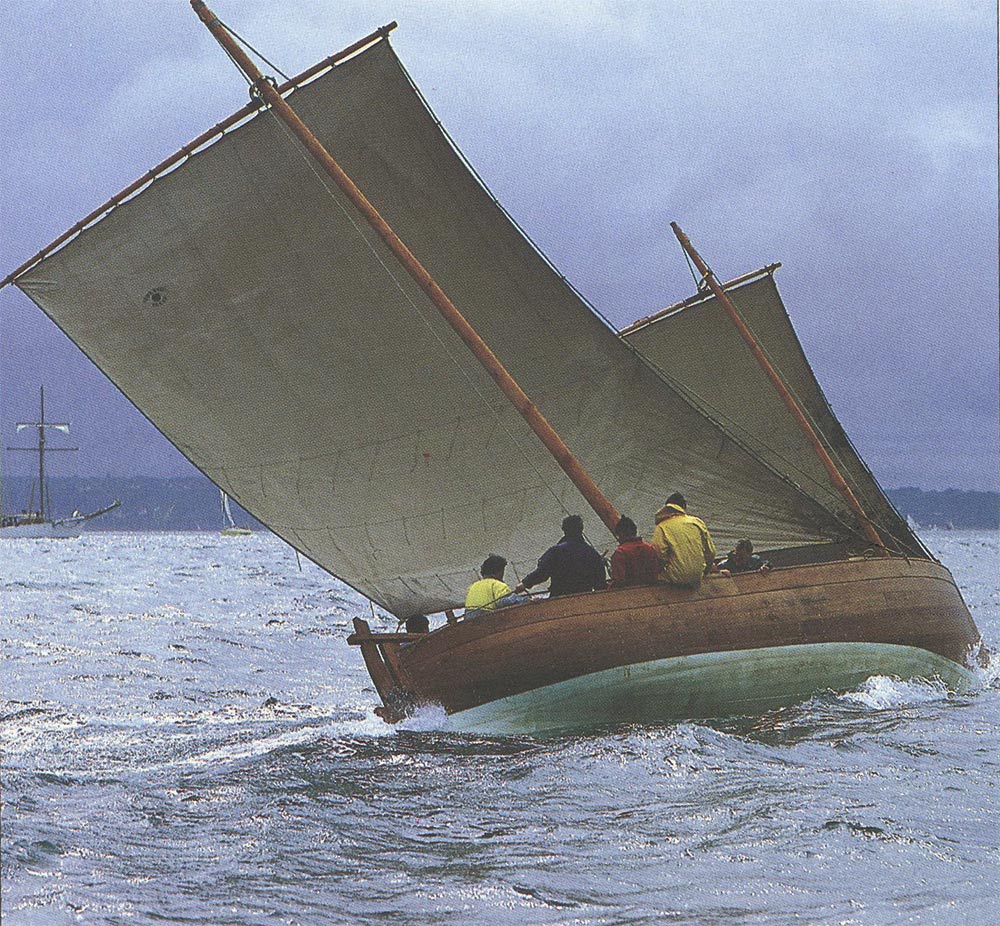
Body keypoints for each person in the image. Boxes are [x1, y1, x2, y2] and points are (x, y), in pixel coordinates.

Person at [514, 514, 606, 597]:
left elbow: (542, 573)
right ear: (581, 529)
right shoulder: (592, 553)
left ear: (564, 530)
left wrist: (525, 583)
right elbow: (600, 582)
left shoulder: (556, 551)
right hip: (584, 600)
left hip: (559, 599)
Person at [651, 496, 717, 588]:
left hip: (674, 578)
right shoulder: (697, 522)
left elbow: (658, 555)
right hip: (698, 577)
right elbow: (711, 552)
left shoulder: (662, 527)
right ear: (683, 508)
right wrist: (706, 571)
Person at [609, 516, 661, 588]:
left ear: (621, 534)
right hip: (651, 591)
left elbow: (619, 581)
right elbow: (655, 573)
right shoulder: (649, 548)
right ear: (635, 531)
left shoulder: (620, 553)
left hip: (629, 594)